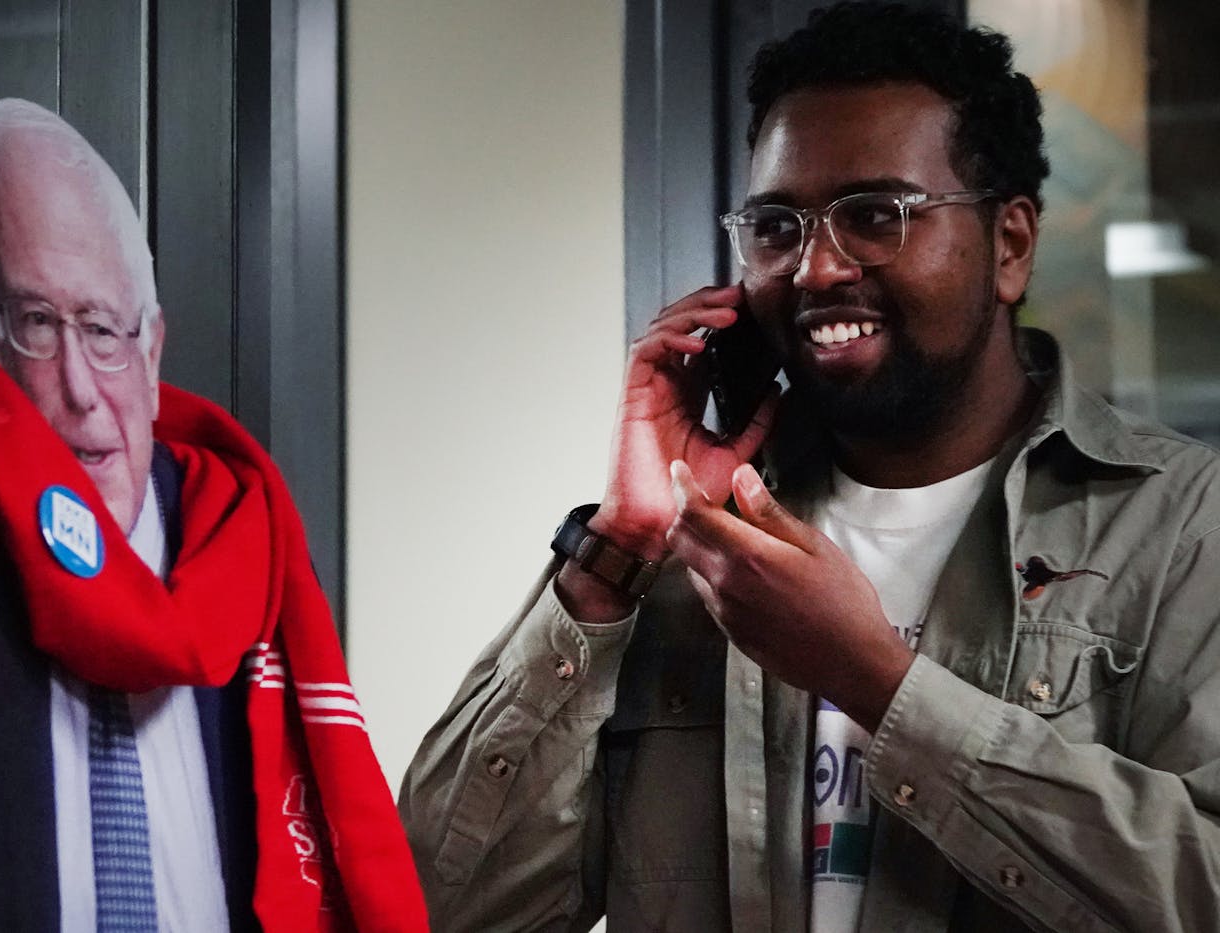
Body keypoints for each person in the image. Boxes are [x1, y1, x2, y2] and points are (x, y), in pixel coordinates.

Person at [398, 4, 1220, 931]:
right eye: (778, 225)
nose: (818, 268)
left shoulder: (1183, 526)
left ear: (1011, 245)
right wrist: (617, 549)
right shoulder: (687, 541)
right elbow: (440, 904)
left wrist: (883, 686)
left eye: (876, 215)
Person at [0, 99, 426, 932]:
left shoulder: (242, 545)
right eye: (39, 325)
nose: (82, 390)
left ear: (153, 350)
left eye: (103, 330)